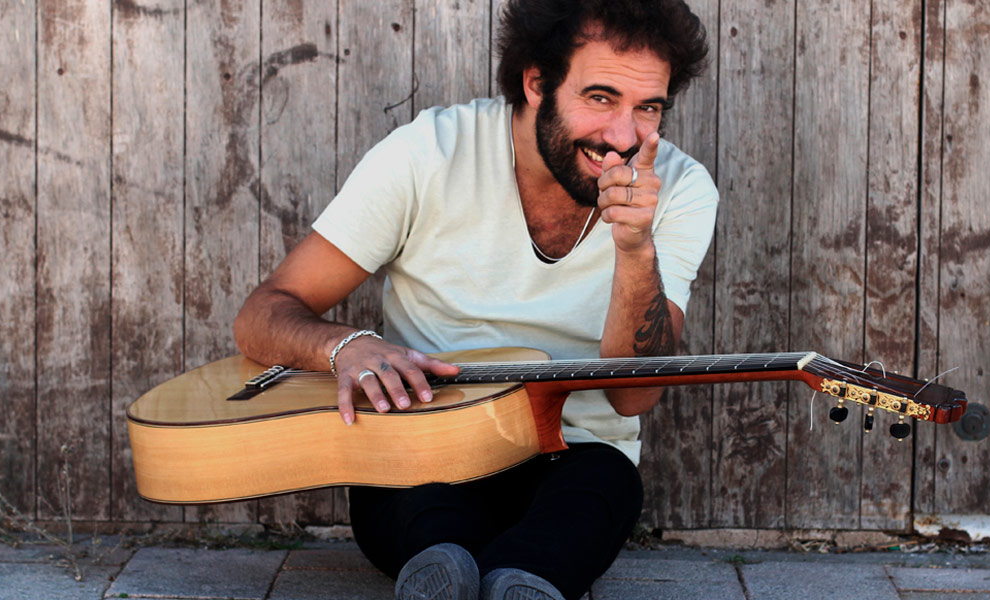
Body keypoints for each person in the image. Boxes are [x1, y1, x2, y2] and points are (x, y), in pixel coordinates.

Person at [233, 1, 716, 598]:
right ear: (536, 82)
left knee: (605, 483)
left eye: (648, 108)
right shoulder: (428, 154)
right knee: (425, 515)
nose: (622, 137)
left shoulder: (680, 189)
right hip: (425, 446)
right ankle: (450, 572)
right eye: (600, 97)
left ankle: (521, 580)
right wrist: (346, 347)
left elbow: (632, 396)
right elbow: (263, 313)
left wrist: (636, 248)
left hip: (572, 456)